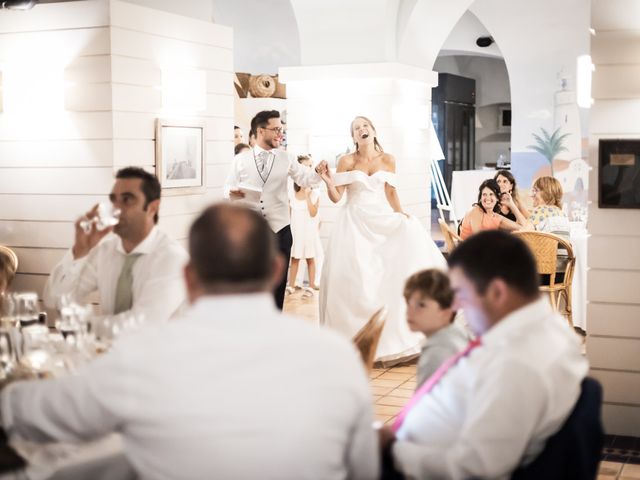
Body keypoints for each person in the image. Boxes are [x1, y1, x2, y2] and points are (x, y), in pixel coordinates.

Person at [1, 203, 379, 480]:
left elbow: (31, 414)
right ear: (277, 270)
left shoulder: (142, 357)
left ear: (189, 275)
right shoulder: (337, 357)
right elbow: (363, 470)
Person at [379, 230, 588, 479]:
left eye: (462, 295)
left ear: (497, 293)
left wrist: (394, 450)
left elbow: (474, 467)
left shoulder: (517, 363)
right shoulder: (549, 330)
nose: (456, 306)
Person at [318, 116, 447, 365]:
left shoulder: (388, 160)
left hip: (381, 218)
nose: (361, 130)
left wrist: (401, 215)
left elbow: (390, 191)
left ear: (373, 131)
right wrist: (327, 181)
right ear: (353, 137)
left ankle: (392, 337)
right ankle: (353, 340)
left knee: (390, 271)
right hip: (354, 222)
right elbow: (337, 197)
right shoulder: (346, 161)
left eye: (365, 126)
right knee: (355, 278)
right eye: (356, 128)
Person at [43, 167, 188, 324]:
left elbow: (141, 324)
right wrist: (80, 250)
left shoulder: (173, 258)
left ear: (152, 208)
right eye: (113, 200)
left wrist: (82, 325)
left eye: (127, 200)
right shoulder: (106, 250)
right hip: (106, 347)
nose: (116, 208)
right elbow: (53, 300)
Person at [224, 110, 326, 310]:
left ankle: (275, 322)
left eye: (282, 129)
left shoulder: (286, 157)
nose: (281, 133)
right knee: (251, 281)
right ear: (261, 131)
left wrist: (318, 171)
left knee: (278, 284)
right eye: (277, 129)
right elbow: (227, 189)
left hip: (281, 230)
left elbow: (306, 179)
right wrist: (233, 193)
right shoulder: (240, 160)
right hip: (251, 232)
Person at [403, 269, 472, 389]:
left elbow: (424, 403)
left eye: (421, 305)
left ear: (446, 311)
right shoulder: (457, 332)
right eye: (408, 303)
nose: (409, 311)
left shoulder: (437, 353)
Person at [287, 155, 322, 296]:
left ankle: (312, 286)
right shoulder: (292, 195)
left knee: (310, 258)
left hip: (309, 232)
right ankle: (291, 285)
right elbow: (289, 215)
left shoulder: (315, 194)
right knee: (294, 258)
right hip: (296, 232)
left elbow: (313, 213)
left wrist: (308, 195)